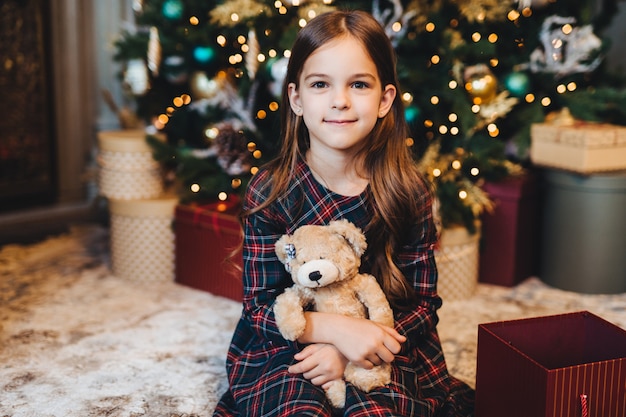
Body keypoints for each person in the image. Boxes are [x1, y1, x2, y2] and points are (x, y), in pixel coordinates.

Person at [213, 9, 475, 417]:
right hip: (288, 345)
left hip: (383, 340)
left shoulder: (408, 191)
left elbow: (422, 305)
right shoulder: (271, 190)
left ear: (385, 99)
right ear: (296, 98)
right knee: (294, 406)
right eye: (321, 84)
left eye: (358, 84)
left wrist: (357, 349)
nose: (340, 100)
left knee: (379, 409)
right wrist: (334, 334)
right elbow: (260, 305)